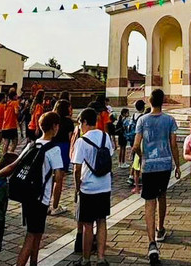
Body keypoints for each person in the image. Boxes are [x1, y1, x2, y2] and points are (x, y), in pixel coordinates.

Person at [0, 111, 64, 266]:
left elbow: (13, 166)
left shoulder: (32, 144)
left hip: (28, 195)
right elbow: (59, 177)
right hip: (41, 197)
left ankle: (34, 262)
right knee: (31, 235)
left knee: (37, 232)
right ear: (55, 127)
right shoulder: (54, 150)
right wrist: (55, 202)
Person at [132, 88, 181, 264]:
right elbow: (174, 144)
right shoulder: (169, 120)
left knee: (149, 202)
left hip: (149, 166)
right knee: (162, 196)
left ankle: (152, 243)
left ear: (149, 102)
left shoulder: (142, 120)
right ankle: (161, 228)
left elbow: (136, 145)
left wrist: (142, 157)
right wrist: (177, 165)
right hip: (165, 164)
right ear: (163, 101)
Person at [71, 108, 115, 266]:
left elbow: (76, 169)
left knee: (87, 224)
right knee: (102, 221)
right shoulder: (105, 137)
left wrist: (77, 186)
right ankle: (101, 258)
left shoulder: (81, 142)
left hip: (88, 188)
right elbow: (109, 156)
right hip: (104, 185)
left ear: (83, 122)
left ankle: (86, 259)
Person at [50, 99, 73, 216]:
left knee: (48, 177)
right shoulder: (68, 122)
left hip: (51, 147)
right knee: (59, 179)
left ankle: (46, 204)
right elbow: (70, 138)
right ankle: (55, 206)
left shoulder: (52, 119)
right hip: (63, 148)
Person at [127, 99, 146, 191]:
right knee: (138, 159)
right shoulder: (143, 117)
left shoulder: (133, 116)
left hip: (132, 139)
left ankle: (132, 176)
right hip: (139, 141)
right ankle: (135, 177)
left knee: (135, 158)